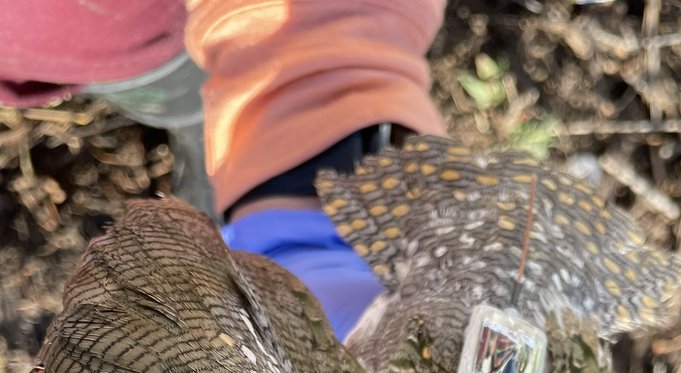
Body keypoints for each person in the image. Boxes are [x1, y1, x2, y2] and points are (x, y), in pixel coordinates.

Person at [0, 0, 447, 339]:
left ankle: (212, 129)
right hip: (56, 51)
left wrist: (315, 97)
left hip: (163, 33)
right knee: (163, 97)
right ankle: (202, 127)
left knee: (179, 91)